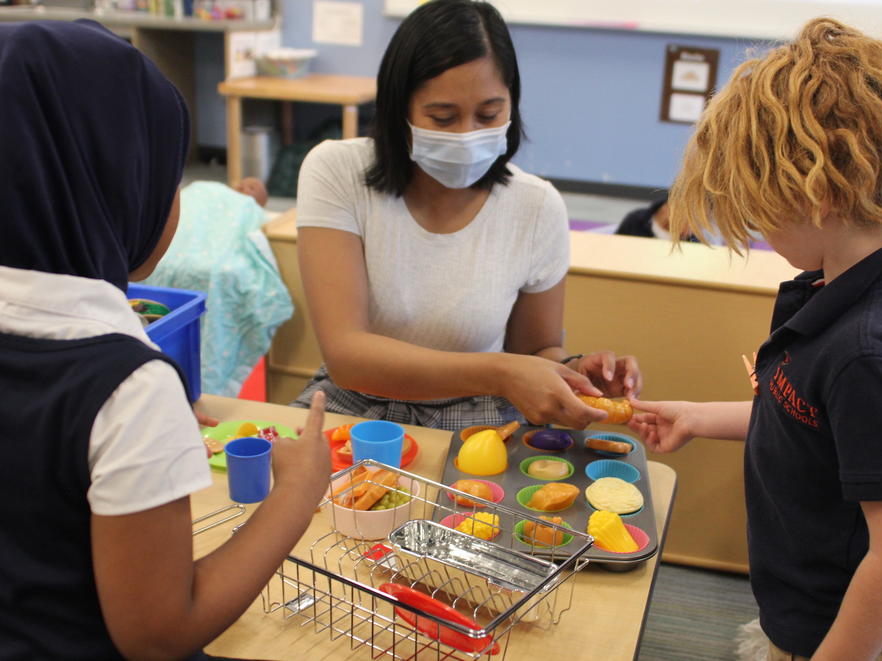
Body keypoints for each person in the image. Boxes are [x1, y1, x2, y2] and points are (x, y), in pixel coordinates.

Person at [0, 20, 331, 660]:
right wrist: (296, 493)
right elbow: (159, 633)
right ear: (117, 185)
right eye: (169, 175)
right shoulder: (123, 387)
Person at [628, 18, 882, 661]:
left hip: (852, 636)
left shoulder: (869, 350)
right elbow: (812, 424)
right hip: (805, 610)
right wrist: (697, 416)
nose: (757, 230)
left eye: (761, 209)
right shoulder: (845, 285)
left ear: (817, 193)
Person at [292, 0, 640, 431]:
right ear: (399, 110)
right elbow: (348, 356)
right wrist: (500, 372)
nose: (468, 135)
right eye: (443, 117)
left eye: (489, 114)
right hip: (356, 404)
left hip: (481, 416)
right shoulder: (337, 172)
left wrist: (573, 370)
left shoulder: (536, 205)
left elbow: (534, 351)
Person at [141, 176, 293, 396]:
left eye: (255, 189)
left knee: (218, 270)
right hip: (176, 253)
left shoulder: (249, 209)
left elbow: (247, 238)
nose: (247, 188)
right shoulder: (206, 189)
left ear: (261, 202)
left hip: (214, 260)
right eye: (246, 183)